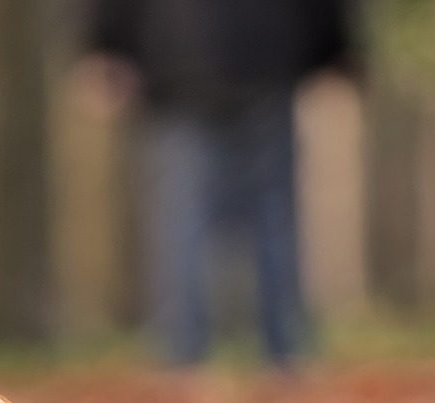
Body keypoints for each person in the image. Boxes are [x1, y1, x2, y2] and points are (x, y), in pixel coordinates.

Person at [86, 0, 353, 367]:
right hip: (266, 54)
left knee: (181, 218)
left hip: (176, 56)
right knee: (271, 216)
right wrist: (337, 47)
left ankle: (182, 357)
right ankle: (284, 352)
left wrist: (105, 44)